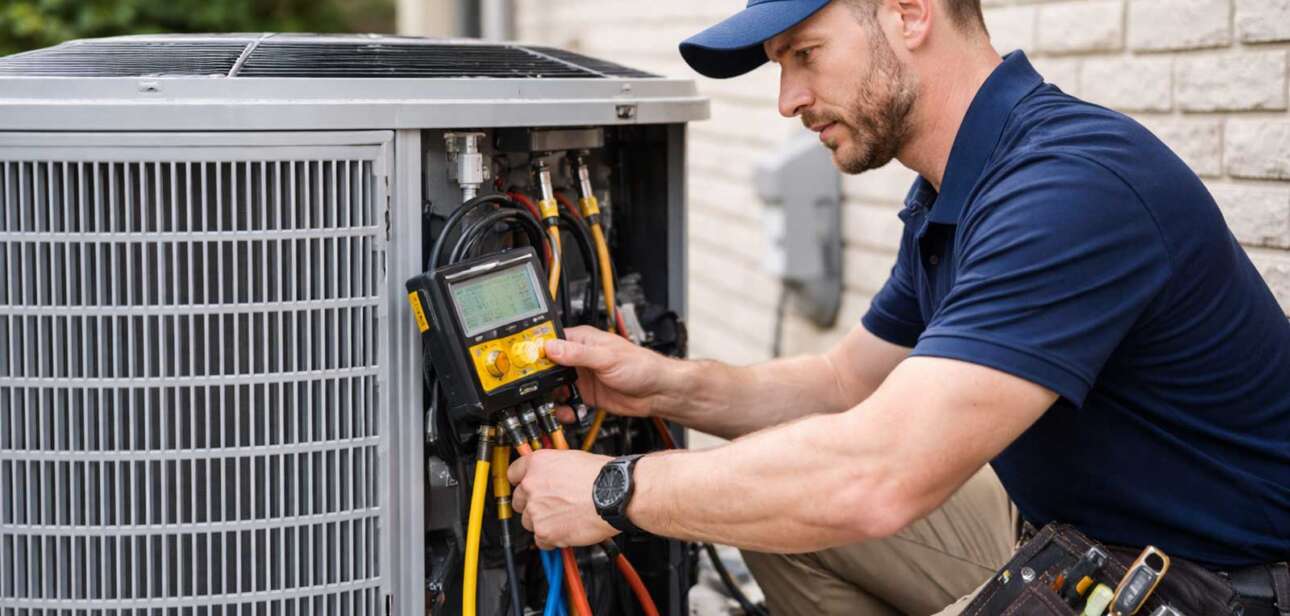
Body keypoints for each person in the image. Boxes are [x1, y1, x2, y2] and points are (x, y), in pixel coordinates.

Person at [506, 0, 1290, 613]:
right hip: (1070, 538)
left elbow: (878, 477)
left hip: (1206, 586)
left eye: (805, 56)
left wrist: (618, 490)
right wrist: (663, 386)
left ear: (909, 13)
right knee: (766, 506)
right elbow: (847, 385)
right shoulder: (957, 190)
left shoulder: (1067, 188)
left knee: (807, 492)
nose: (787, 100)